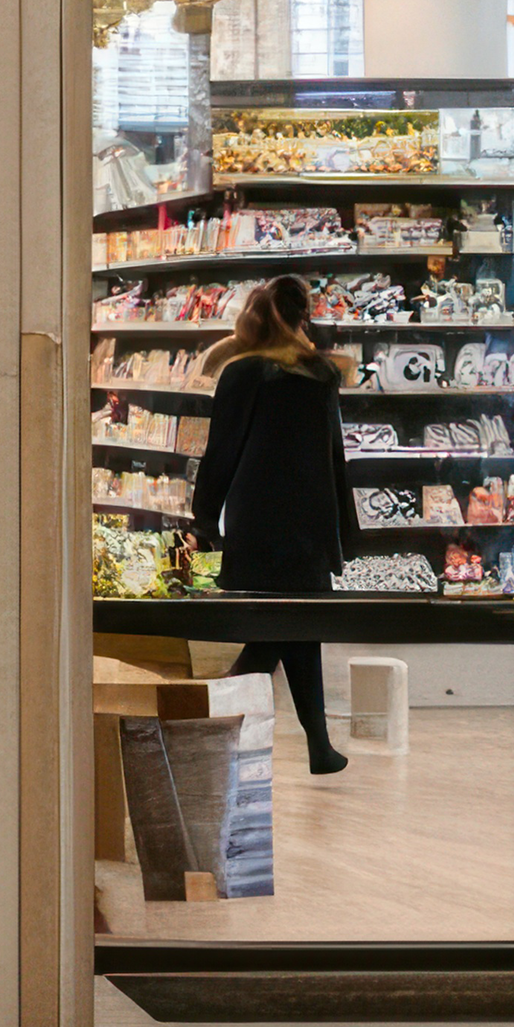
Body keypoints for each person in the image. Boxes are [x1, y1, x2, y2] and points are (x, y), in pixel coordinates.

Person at [192, 275, 355, 777]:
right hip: (309, 521)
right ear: (302, 318)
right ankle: (319, 746)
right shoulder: (319, 374)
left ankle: (208, 723)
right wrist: (343, 533)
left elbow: (223, 453)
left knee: (275, 628)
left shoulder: (242, 374)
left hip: (258, 519)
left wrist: (203, 516)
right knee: (296, 627)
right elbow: (335, 458)